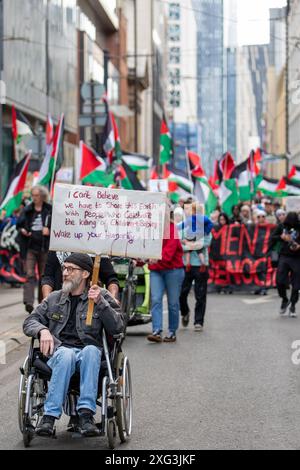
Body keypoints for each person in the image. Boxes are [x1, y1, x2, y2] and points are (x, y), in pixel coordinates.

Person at [23, 253, 124, 437]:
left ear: (85, 274)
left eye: (70, 269)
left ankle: (85, 415)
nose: (64, 273)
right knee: (66, 354)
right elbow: (30, 320)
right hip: (59, 353)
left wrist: (101, 304)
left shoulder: (100, 296)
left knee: (92, 350)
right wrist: (42, 331)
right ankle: (49, 417)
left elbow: (118, 327)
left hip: (88, 356)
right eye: (64, 268)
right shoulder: (55, 298)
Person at [147, 215, 185, 343]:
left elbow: (168, 254)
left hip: (173, 270)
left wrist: (155, 257)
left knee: (173, 303)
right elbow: (145, 246)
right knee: (156, 299)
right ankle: (156, 331)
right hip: (156, 270)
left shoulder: (172, 229)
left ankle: (172, 331)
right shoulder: (151, 229)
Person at [17, 186, 52, 313]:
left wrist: (49, 231)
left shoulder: (49, 209)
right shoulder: (28, 210)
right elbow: (19, 224)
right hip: (30, 247)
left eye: (36, 195)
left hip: (44, 248)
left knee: (44, 276)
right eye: (33, 195)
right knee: (29, 274)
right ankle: (29, 302)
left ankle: (43, 302)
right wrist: (23, 230)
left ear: (42, 196)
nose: (34, 198)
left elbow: (57, 227)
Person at [41, 251, 119, 301]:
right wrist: (47, 299)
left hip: (88, 304)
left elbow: (111, 278)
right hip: (59, 304)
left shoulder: (96, 248)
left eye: (71, 269)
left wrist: (113, 299)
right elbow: (48, 276)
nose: (64, 273)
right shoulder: (59, 245)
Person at [179, 223, 212, 332]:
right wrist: (193, 245)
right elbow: (180, 245)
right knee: (181, 293)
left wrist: (189, 245)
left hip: (201, 266)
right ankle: (185, 312)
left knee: (200, 294)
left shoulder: (205, 231)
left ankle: (198, 321)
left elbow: (206, 243)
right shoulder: (184, 230)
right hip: (186, 265)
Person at [269, 212, 300, 317]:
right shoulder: (282, 226)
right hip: (284, 256)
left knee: (296, 285)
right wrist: (281, 237)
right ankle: (284, 299)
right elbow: (272, 237)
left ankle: (293, 306)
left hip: (297, 258)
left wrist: (298, 246)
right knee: (280, 281)